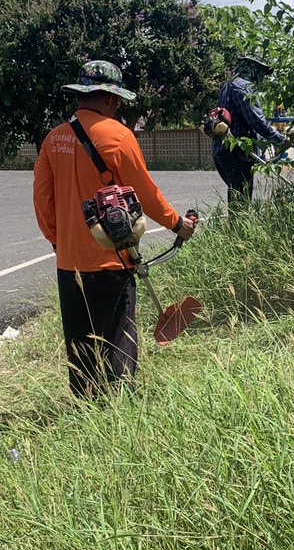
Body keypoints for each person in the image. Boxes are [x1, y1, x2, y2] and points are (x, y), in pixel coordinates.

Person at [33, 59, 196, 397]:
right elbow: (146, 194)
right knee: (119, 336)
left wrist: (58, 241)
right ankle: (120, 406)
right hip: (113, 261)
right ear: (109, 98)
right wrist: (177, 224)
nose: (118, 108)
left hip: (69, 264)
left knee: (80, 343)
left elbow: (42, 199)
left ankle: (84, 407)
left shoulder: (53, 139)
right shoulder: (119, 137)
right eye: (118, 102)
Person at [212, 54, 290, 207]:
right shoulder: (244, 87)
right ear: (254, 68)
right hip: (238, 152)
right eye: (261, 72)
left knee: (236, 195)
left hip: (222, 150)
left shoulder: (228, 85)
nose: (262, 77)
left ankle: (235, 223)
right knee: (241, 200)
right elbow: (256, 120)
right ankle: (238, 223)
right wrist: (281, 140)